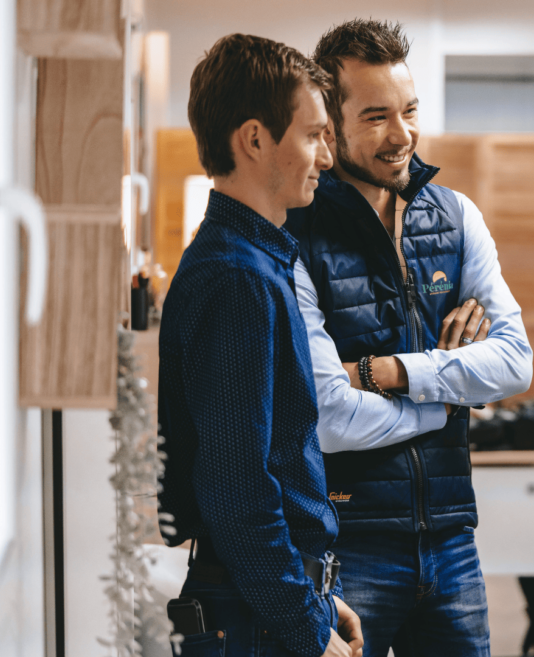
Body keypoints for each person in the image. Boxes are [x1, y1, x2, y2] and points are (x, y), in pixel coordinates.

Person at [284, 19, 533, 657]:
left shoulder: (455, 215)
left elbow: (513, 362)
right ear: (329, 126)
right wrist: (449, 397)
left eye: (410, 111)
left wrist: (388, 372)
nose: (402, 135)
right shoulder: (294, 236)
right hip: (348, 543)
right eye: (376, 117)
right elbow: (328, 418)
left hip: (452, 538)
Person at [157, 34, 362, 657]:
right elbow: (238, 489)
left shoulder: (253, 260)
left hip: (264, 606)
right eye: (313, 135)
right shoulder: (237, 277)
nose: (326, 156)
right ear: (254, 139)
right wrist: (306, 625)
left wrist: (320, 597)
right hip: (255, 622)